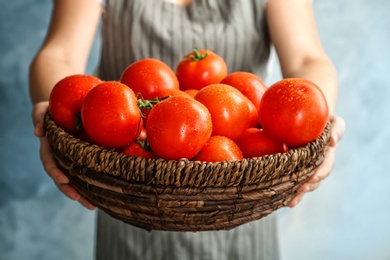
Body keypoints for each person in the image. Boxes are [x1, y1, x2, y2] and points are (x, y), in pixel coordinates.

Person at [29, 0, 346, 259]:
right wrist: (52, 111)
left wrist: (318, 118)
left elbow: (307, 58)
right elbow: (59, 53)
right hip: (130, 190)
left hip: (242, 189)